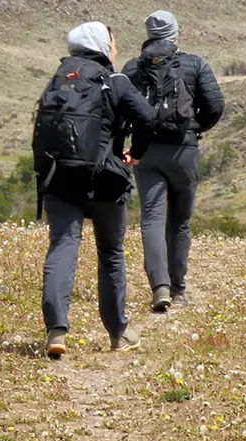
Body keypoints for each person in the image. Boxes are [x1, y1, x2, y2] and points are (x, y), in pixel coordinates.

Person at [34, 21, 156, 358]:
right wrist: (138, 152)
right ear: (103, 46)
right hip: (105, 178)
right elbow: (148, 117)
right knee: (111, 253)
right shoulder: (114, 81)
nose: (116, 50)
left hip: (59, 177)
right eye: (113, 44)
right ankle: (118, 332)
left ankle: (56, 330)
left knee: (63, 246)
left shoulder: (58, 80)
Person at [121, 10, 226, 314]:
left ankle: (160, 288)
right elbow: (215, 106)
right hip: (184, 151)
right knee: (179, 222)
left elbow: (120, 107)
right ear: (175, 34)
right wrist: (194, 128)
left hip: (146, 152)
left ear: (149, 35)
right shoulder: (194, 64)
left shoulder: (133, 67)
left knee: (152, 219)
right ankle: (178, 289)